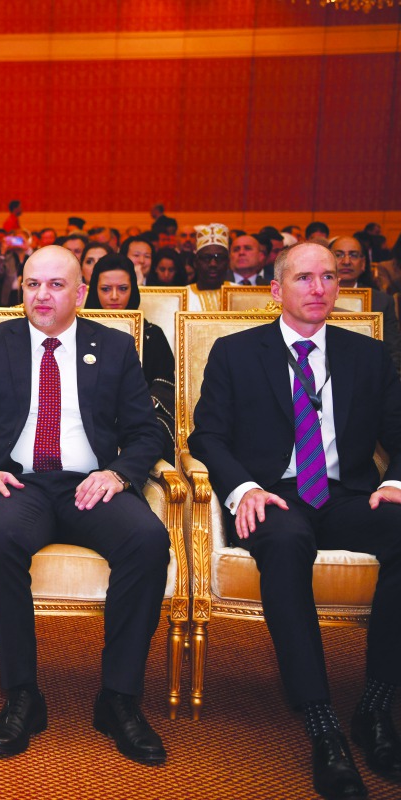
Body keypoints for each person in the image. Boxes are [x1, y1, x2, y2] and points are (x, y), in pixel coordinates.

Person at [0, 245, 170, 765]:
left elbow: (147, 433)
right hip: (18, 484)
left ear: (80, 293)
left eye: (56, 285)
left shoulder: (115, 347)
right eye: (33, 283)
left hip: (90, 485)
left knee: (148, 540)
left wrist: (118, 474)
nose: (42, 295)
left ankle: (119, 698)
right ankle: (22, 694)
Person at [188, 242, 401, 799]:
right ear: (276, 289)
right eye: (304, 277)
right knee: (285, 544)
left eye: (328, 277)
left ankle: (376, 705)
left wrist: (395, 483)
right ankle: (321, 722)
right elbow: (207, 435)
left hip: (347, 494)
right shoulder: (236, 352)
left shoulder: (367, 355)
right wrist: (244, 489)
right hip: (273, 496)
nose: (319, 288)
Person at [85, 254, 176, 463]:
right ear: (94, 290)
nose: (114, 296)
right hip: (86, 416)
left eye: (123, 288)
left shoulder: (151, 334)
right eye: (105, 289)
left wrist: (142, 403)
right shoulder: (77, 331)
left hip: (137, 415)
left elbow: (165, 383)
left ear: (133, 290)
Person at [330, 235, 401, 375]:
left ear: (363, 263)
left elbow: (393, 353)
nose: (346, 261)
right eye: (338, 255)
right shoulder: (313, 297)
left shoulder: (381, 302)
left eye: (353, 255)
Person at [188, 223, 230, 310]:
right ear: (195, 263)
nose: (213, 264)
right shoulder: (183, 296)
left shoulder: (241, 294)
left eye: (219, 258)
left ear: (228, 262)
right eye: (206, 258)